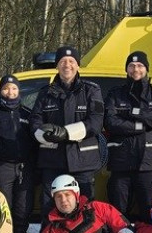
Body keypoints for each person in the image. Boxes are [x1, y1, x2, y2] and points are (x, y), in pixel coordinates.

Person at [103, 51, 152, 220]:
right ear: (126, 69)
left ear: (146, 69)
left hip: (148, 164)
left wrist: (133, 112)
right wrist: (142, 125)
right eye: (132, 65)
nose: (136, 69)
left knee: (149, 212)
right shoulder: (115, 94)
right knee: (118, 214)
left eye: (140, 65)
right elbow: (110, 122)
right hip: (121, 163)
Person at [30, 45, 105, 200]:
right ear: (57, 65)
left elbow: (96, 122)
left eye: (71, 61)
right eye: (63, 61)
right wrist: (46, 134)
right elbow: (35, 121)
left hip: (83, 163)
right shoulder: (45, 93)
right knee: (50, 208)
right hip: (52, 162)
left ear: (78, 65)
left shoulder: (91, 90)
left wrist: (66, 133)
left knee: (84, 209)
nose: (67, 65)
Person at [0, 74, 36, 233]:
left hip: (25, 170)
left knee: (22, 213)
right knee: (2, 212)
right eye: (6, 88)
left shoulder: (27, 114)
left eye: (14, 88)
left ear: (19, 91)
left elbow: (35, 144)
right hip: (2, 168)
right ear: (1, 91)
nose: (10, 92)